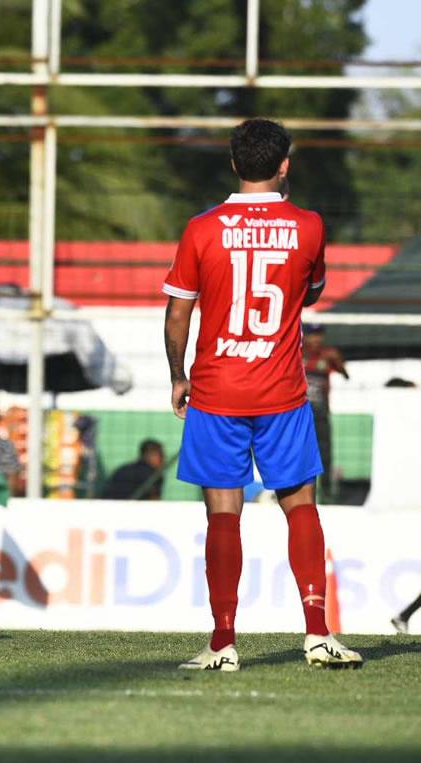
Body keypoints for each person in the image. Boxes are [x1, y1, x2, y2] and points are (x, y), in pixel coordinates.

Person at [163, 119, 362, 671]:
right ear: (284, 165)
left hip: (216, 391)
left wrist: (178, 376)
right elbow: (311, 292)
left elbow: (178, 313)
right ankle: (317, 634)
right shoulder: (309, 226)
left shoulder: (202, 228)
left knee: (223, 514)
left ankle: (223, 643)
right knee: (300, 506)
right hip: (282, 392)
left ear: (234, 164)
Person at [302, 323, 348, 501]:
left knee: (325, 451)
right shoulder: (296, 354)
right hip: (299, 413)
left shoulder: (328, 355)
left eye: (319, 335)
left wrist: (338, 362)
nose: (316, 339)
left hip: (321, 412)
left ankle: (327, 490)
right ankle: (293, 489)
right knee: (298, 450)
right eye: (312, 335)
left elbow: (345, 373)